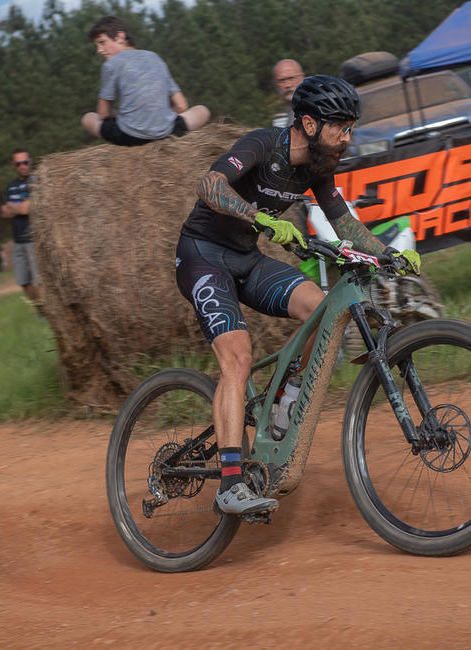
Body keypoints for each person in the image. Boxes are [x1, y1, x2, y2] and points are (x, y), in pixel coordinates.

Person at [174, 75, 421, 515]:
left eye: (350, 128)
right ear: (308, 123)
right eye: (339, 127)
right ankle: (230, 486)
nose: (347, 137)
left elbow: (345, 225)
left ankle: (285, 402)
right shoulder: (262, 145)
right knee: (238, 357)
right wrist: (261, 220)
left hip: (246, 259)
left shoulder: (318, 167)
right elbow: (209, 186)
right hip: (203, 257)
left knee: (320, 308)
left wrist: (389, 255)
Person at [80, 15, 210, 146]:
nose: (99, 50)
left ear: (120, 37)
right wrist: (161, 117)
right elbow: (182, 105)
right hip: (168, 132)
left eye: (102, 42)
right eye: (97, 45)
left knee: (88, 118)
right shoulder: (155, 57)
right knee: (202, 110)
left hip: (128, 136)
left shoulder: (111, 64)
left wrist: (120, 115)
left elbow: (103, 114)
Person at [0, 148, 41, 306]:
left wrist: (13, 207)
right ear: (14, 166)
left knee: (40, 281)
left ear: (30, 162)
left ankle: (51, 314)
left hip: (34, 238)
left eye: (25, 162)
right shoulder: (11, 186)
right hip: (18, 241)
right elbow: (3, 212)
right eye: (18, 164)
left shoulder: (37, 181)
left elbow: (26, 209)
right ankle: (42, 311)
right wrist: (18, 208)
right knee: (23, 282)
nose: (22, 166)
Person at [271, 59, 305, 127]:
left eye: (291, 78)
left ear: (302, 78)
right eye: (282, 80)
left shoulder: (318, 111)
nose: (288, 85)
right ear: (275, 84)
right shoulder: (279, 120)